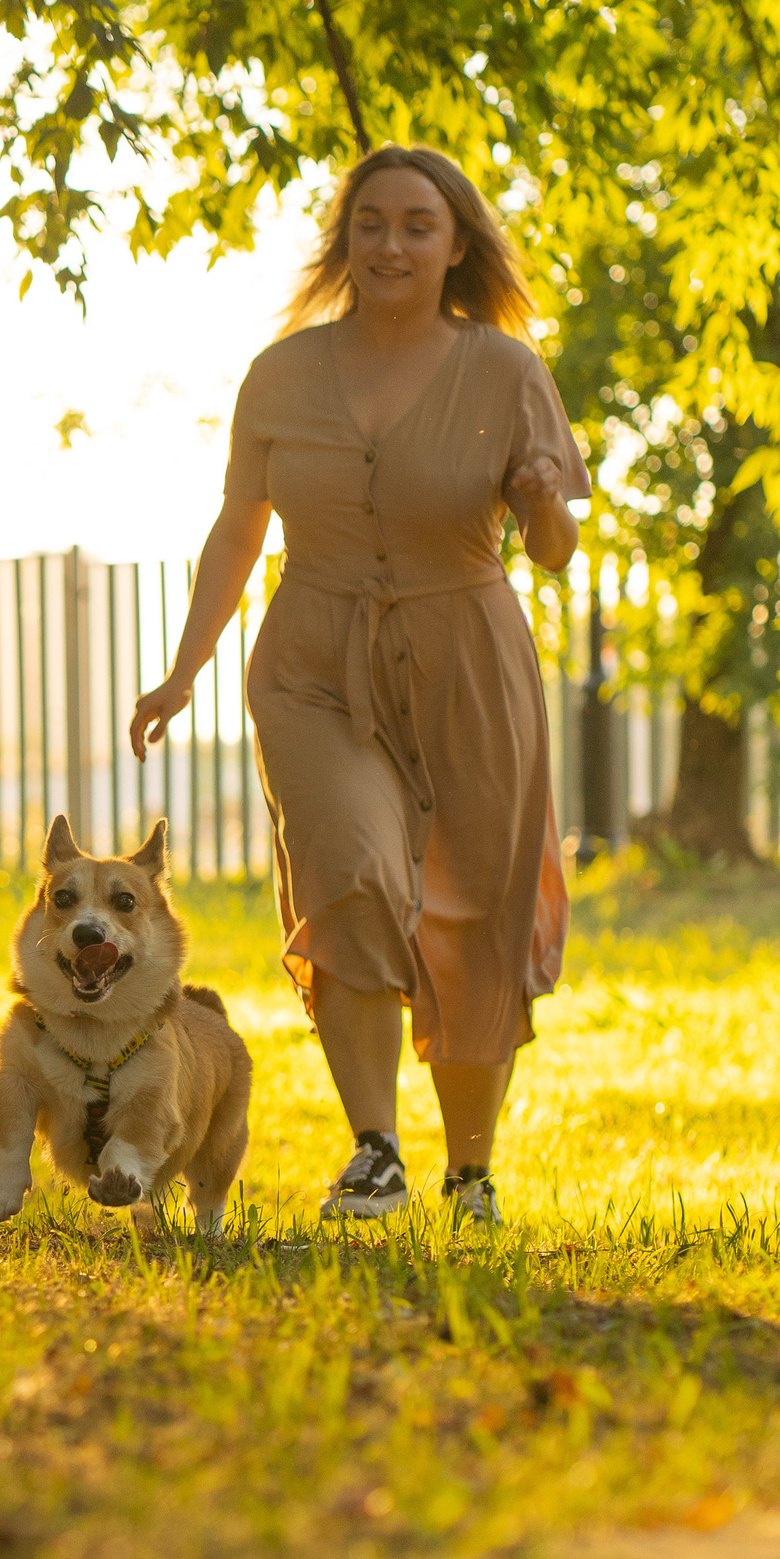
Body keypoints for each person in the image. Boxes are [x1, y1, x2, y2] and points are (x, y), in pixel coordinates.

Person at [128, 144, 587, 1225]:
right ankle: (373, 1145)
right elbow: (239, 528)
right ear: (345, 240)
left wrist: (537, 503)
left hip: (466, 659)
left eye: (416, 225)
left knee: (473, 912)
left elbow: (556, 545)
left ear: (454, 244)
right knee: (353, 871)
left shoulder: (507, 369)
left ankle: (468, 1173)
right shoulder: (280, 374)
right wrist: (184, 667)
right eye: (369, 223)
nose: (390, 244)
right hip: (311, 663)